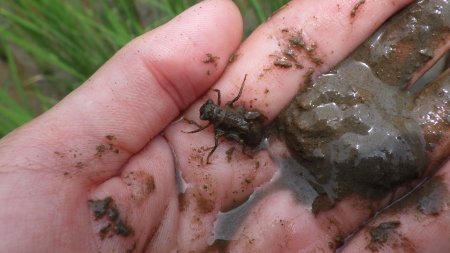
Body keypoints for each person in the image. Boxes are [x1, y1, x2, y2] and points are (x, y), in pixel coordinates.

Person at [0, 0, 446, 252]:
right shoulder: (213, 117)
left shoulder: (216, 115)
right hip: (244, 130)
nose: (209, 115)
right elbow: (226, 122)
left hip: (246, 129)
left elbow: (233, 119)